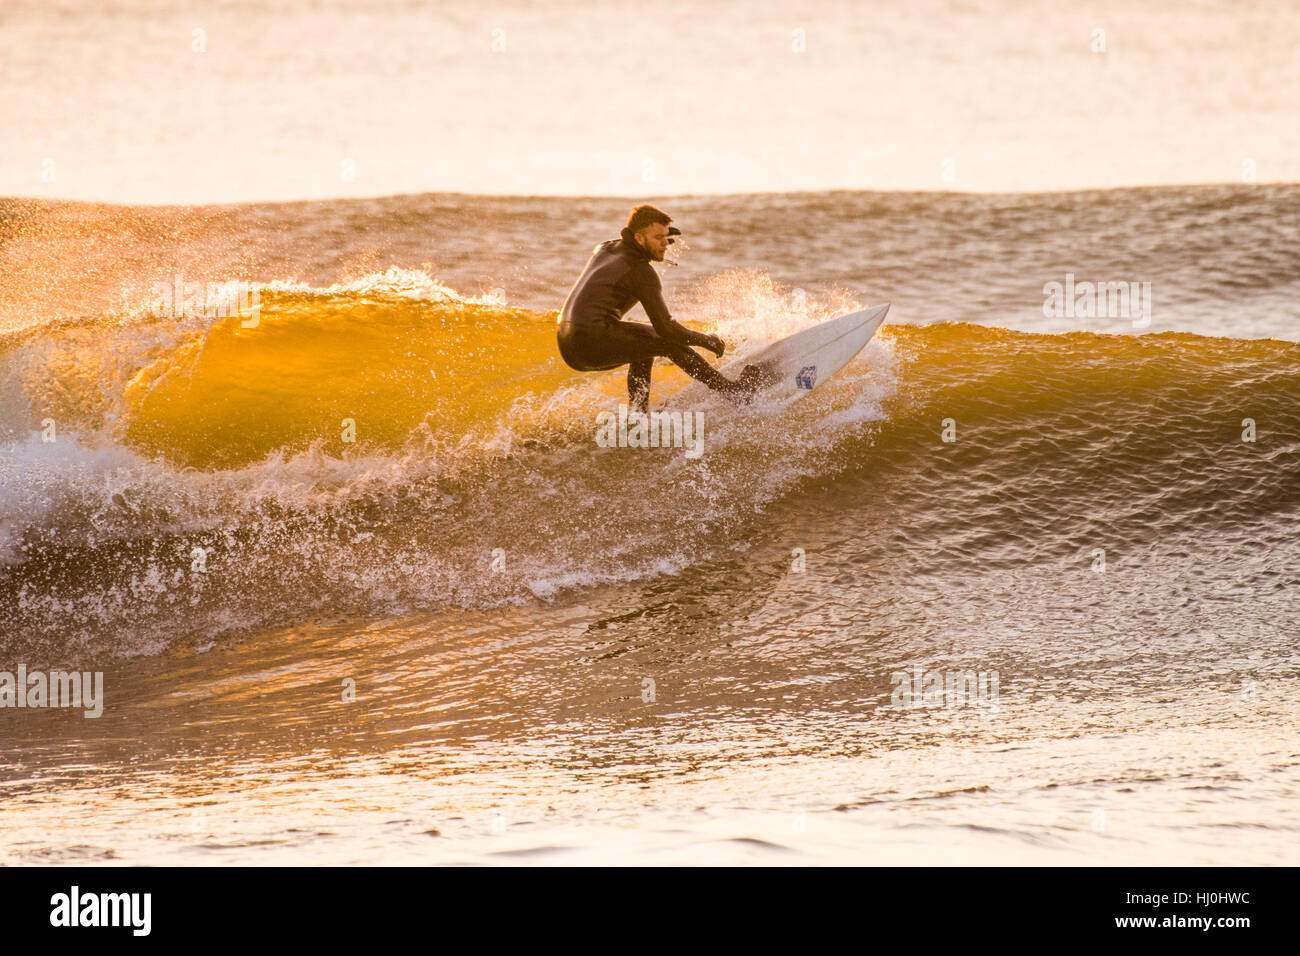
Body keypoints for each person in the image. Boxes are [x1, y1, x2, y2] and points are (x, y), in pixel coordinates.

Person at [556, 204, 764, 414]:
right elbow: (667, 328)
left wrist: (658, 235)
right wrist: (705, 340)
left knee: (644, 345)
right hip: (590, 340)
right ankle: (734, 392)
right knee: (666, 342)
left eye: (666, 237)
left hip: (568, 339)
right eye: (658, 238)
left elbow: (624, 237)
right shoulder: (641, 273)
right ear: (638, 238)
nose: (665, 244)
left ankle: (637, 415)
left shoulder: (605, 248)